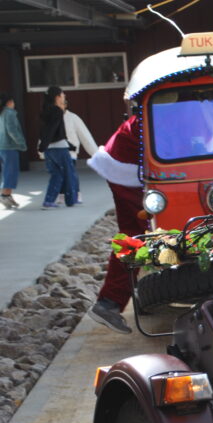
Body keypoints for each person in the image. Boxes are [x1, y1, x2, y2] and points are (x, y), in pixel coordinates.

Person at [86, 114, 145, 334]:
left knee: (134, 234)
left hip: (126, 163)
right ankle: (110, 301)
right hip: (129, 166)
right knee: (140, 236)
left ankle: (110, 302)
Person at [37, 86, 78, 209]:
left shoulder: (44, 111)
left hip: (49, 150)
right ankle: (71, 200)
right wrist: (44, 144)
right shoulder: (57, 111)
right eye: (63, 94)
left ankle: (49, 201)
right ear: (57, 97)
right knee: (68, 173)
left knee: (56, 174)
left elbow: (47, 130)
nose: (64, 96)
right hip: (59, 148)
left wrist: (43, 145)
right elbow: (53, 128)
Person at [63, 101, 98, 205]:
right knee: (59, 175)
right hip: (57, 150)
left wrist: (96, 153)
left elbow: (85, 135)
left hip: (71, 151)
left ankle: (77, 195)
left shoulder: (73, 118)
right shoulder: (52, 117)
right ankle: (61, 195)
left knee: (71, 175)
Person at [0, 93, 27, 209]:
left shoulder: (1, 113)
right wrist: (21, 143)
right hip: (10, 147)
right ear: (9, 102)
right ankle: (5, 195)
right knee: (10, 172)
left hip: (2, 147)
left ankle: (8, 195)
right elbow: (12, 130)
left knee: (7, 172)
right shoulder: (9, 113)